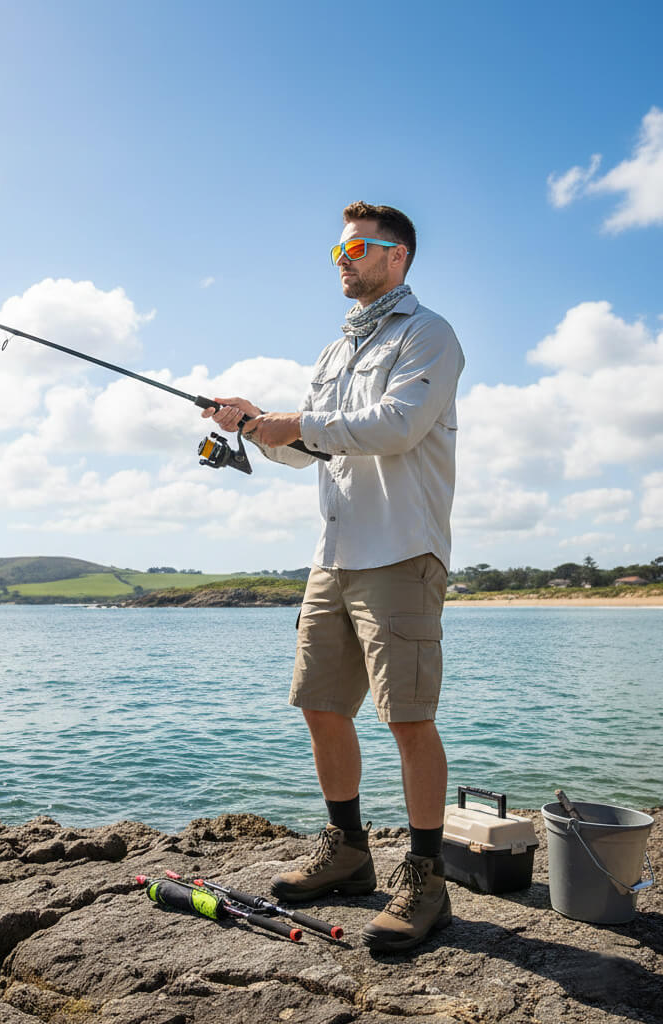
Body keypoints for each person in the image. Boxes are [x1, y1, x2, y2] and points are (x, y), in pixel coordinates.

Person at [203, 201, 464, 953]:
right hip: (335, 556)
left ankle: (424, 878)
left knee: (408, 719)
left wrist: (294, 423)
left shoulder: (429, 335)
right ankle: (349, 851)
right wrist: (255, 425)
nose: (342, 258)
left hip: (403, 552)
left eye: (356, 247)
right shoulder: (333, 352)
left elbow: (395, 426)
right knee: (321, 705)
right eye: (337, 249)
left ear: (398, 256)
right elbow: (312, 447)